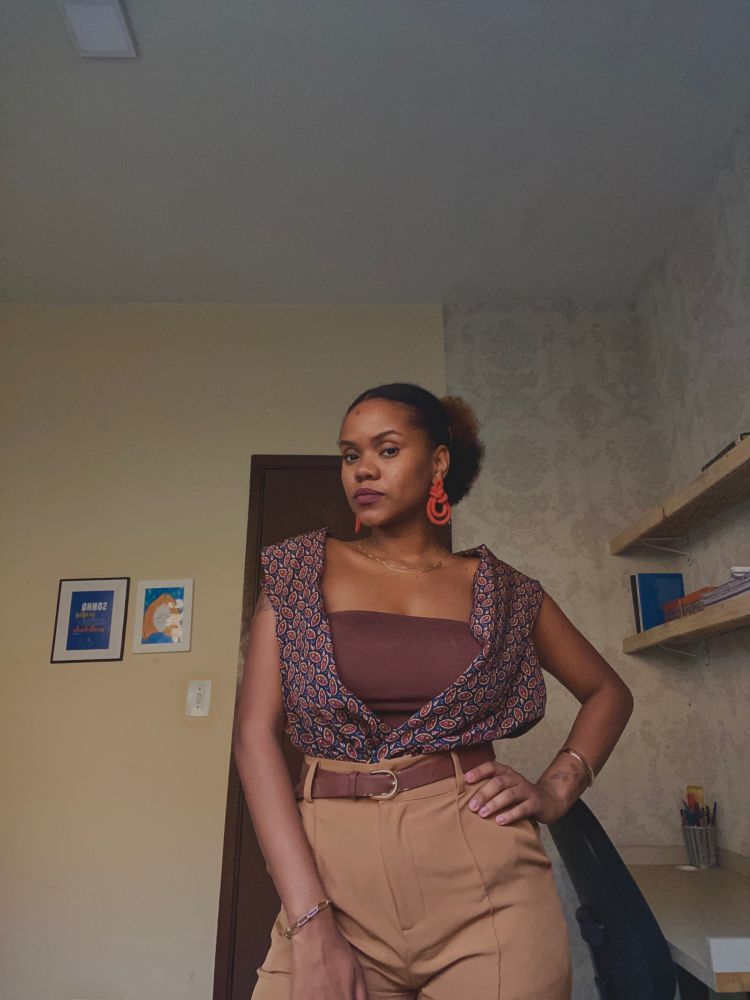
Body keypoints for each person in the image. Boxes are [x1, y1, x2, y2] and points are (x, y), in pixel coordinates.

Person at [234, 382, 634, 1000]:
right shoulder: (296, 572)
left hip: (487, 887)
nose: (363, 469)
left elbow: (607, 691)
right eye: (350, 454)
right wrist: (310, 923)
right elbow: (254, 737)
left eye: (387, 450)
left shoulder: (505, 591)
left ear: (438, 462)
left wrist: (557, 788)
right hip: (332, 883)